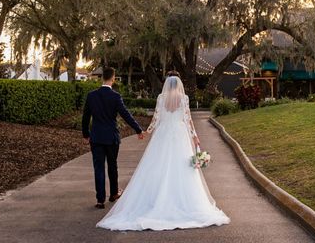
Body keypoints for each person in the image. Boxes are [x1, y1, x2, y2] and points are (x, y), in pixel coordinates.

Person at [96, 72, 230, 231]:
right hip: (180, 134)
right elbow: (188, 120)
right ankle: (184, 201)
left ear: (167, 85)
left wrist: (147, 131)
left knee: (157, 165)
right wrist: (195, 137)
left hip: (163, 134)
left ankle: (154, 200)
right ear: (178, 85)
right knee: (181, 167)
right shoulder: (183, 98)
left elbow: (156, 119)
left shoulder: (161, 98)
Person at [82, 67, 144, 209]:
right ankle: (114, 193)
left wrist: (86, 134)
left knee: (98, 168)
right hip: (111, 138)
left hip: (96, 137)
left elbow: (86, 117)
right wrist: (138, 130)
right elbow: (126, 114)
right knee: (112, 165)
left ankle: (100, 200)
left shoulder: (92, 96)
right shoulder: (115, 97)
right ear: (113, 78)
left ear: (102, 78)